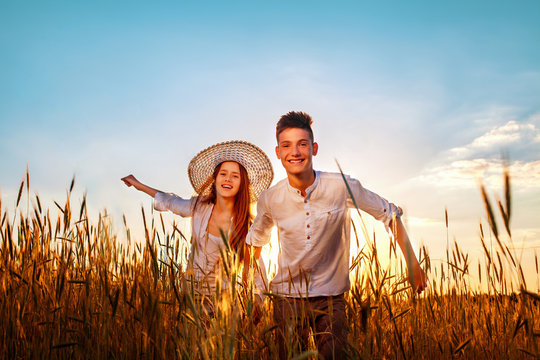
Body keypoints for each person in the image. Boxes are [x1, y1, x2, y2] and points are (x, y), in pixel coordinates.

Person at [243, 111, 427, 358]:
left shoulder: (341, 186)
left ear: (314, 148)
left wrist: (412, 264)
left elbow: (389, 214)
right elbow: (255, 244)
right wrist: (254, 294)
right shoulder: (270, 199)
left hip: (331, 299)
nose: (294, 152)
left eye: (302, 144)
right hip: (286, 300)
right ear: (278, 152)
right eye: (286, 145)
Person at [122, 140, 274, 316]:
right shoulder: (199, 206)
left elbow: (256, 267)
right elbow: (170, 201)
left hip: (224, 303)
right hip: (191, 296)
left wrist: (256, 301)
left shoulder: (245, 225)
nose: (228, 178)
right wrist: (137, 183)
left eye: (235, 176)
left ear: (242, 183)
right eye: (223, 173)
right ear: (215, 179)